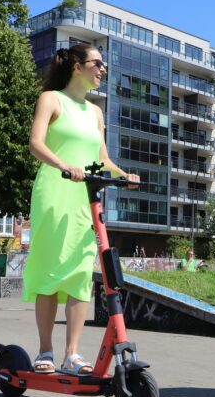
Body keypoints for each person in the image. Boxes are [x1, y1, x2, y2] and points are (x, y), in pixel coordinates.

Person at [24, 44, 139, 375]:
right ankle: (45, 350)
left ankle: (71, 354)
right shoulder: (51, 99)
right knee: (49, 269)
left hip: (85, 199)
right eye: (97, 63)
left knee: (79, 274)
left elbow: (102, 159)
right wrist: (65, 164)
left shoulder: (96, 112)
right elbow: (36, 143)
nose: (102, 69)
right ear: (77, 66)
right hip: (56, 191)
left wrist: (123, 175)